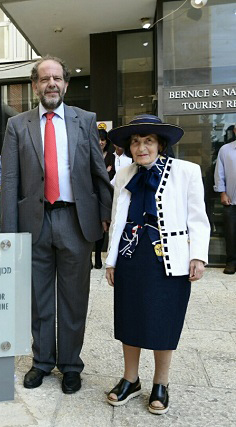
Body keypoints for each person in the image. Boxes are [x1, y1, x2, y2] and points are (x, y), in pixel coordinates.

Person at [0, 55, 113, 394]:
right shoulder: (17, 125)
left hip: (76, 220)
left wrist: (105, 214)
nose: (51, 84)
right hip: (34, 222)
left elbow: (99, 173)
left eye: (57, 78)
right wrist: (8, 234)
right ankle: (42, 362)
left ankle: (71, 365)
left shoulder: (85, 120)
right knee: (39, 298)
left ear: (66, 84)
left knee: (74, 299)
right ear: (35, 85)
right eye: (45, 78)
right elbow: (9, 180)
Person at [105, 114, 210, 415]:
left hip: (170, 258)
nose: (141, 147)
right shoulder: (123, 175)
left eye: (148, 141)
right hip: (131, 257)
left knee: (164, 319)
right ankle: (130, 379)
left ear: (160, 144)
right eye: (136, 142)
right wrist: (111, 260)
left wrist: (198, 256)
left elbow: (198, 219)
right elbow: (117, 221)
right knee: (129, 316)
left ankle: (161, 383)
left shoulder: (187, 172)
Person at [214, 129, 236, 274]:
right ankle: (231, 262)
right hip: (231, 200)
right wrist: (222, 192)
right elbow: (219, 172)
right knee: (231, 233)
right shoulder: (225, 149)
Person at [94, 129, 115, 268]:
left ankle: (98, 257)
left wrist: (103, 175)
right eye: (99, 139)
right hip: (91, 196)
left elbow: (111, 176)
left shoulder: (111, 157)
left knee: (103, 227)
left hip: (106, 196)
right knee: (91, 226)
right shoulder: (90, 154)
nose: (101, 142)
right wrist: (104, 173)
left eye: (103, 139)